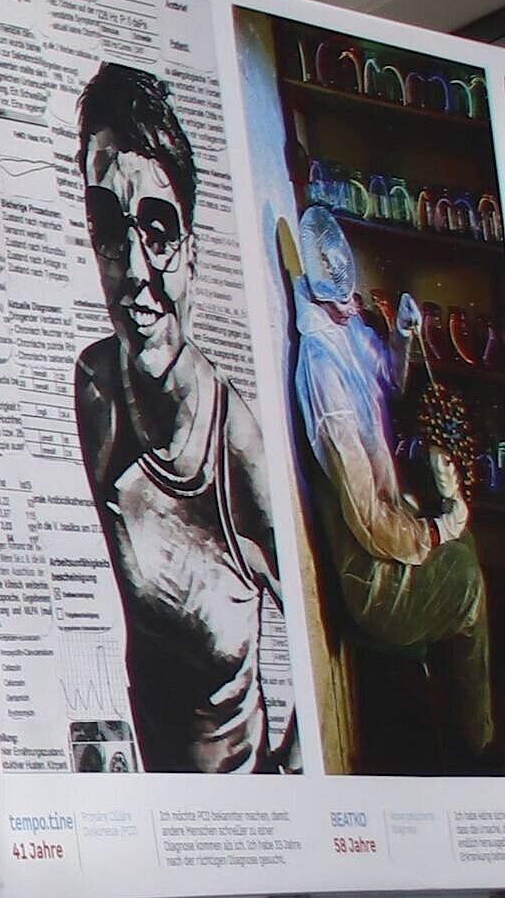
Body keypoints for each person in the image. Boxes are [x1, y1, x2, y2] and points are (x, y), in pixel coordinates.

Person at [69, 64, 298, 773]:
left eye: (159, 231)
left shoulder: (241, 449)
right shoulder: (95, 390)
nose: (135, 269)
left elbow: (323, 666)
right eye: (110, 228)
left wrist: (290, 795)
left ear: (192, 251)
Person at [291, 204, 496, 766]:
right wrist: (432, 532)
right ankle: (474, 749)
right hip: (371, 577)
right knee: (470, 583)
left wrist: (406, 336)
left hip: (385, 537)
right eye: (339, 282)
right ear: (318, 278)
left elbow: (387, 378)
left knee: (467, 556)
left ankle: (462, 730)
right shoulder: (323, 372)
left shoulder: (345, 326)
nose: (351, 296)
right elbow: (369, 523)